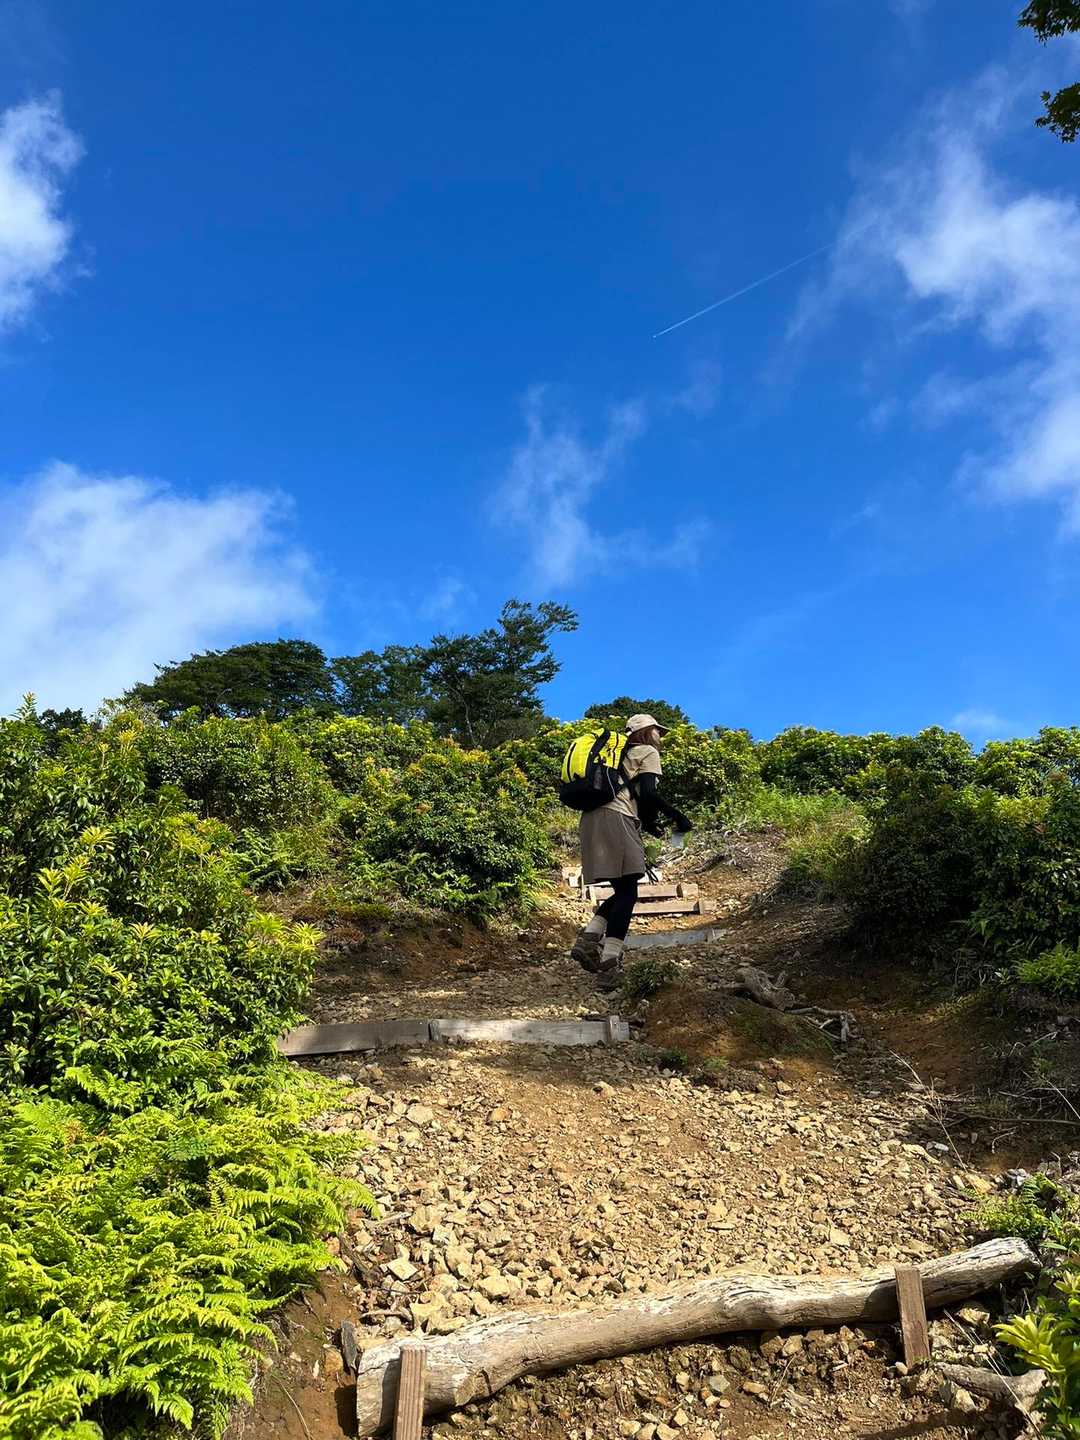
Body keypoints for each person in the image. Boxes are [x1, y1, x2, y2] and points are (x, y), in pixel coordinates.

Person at [571, 712, 692, 978]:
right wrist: (678, 816)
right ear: (645, 732)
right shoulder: (647, 751)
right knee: (628, 892)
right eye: (657, 730)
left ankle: (590, 939)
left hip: (591, 820)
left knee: (623, 889)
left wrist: (649, 824)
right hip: (617, 817)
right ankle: (609, 960)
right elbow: (648, 793)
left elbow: (635, 794)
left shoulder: (613, 756)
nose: (660, 736)